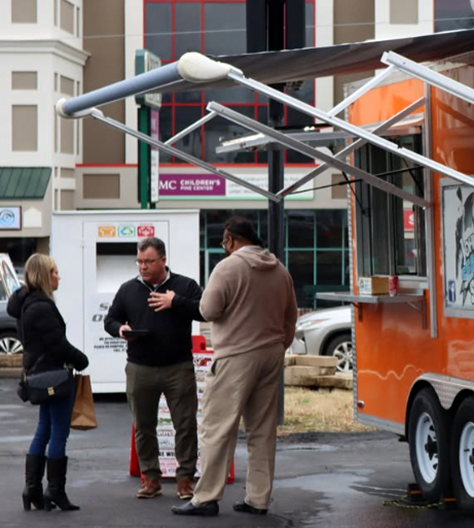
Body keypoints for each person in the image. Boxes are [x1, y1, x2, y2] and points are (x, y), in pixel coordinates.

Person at [172, 215, 298, 517]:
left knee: (217, 427)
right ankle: (258, 498)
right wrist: (280, 345)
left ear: (230, 240)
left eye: (223, 243)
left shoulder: (227, 268)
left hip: (235, 355)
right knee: (262, 430)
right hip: (271, 354)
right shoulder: (280, 270)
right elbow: (290, 316)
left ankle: (206, 498)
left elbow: (208, 310)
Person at [104, 237, 204, 500]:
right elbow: (110, 319)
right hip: (140, 367)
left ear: (163, 260)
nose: (143, 267)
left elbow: (205, 311)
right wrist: (120, 329)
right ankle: (150, 478)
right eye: (139, 261)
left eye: (149, 261)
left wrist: (176, 302)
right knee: (143, 426)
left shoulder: (184, 286)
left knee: (185, 425)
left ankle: (185, 480)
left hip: (178, 367)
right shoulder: (128, 290)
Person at [7, 253, 89, 512]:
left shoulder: (26, 304)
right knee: (58, 432)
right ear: (44, 275)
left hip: (40, 376)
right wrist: (81, 359)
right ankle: (54, 491)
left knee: (44, 429)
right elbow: (57, 344)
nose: (58, 276)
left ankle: (32, 489)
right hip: (55, 375)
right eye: (54, 271)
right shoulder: (41, 306)